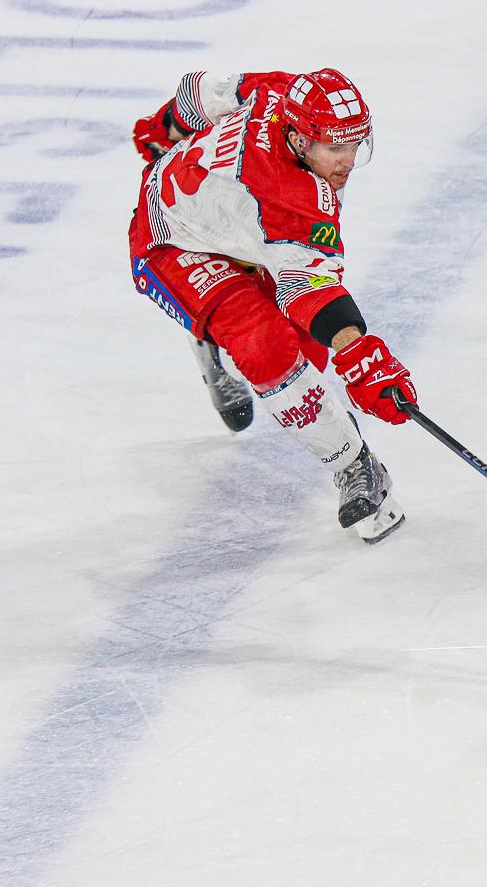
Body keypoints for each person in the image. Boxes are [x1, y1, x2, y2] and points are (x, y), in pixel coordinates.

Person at [127, 69, 415, 543]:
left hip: (244, 233)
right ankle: (354, 464)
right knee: (266, 348)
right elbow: (310, 291)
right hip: (172, 243)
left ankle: (215, 340)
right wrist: (356, 351)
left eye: (355, 144)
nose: (347, 161)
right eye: (334, 148)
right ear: (299, 138)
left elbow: (199, 91)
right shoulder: (295, 200)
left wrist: (165, 128)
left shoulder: (280, 92)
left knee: (308, 357)